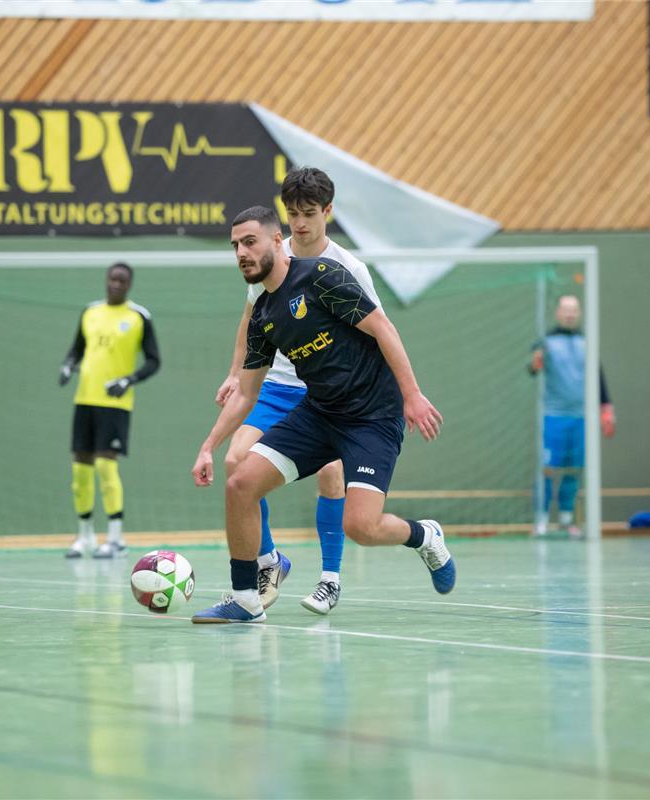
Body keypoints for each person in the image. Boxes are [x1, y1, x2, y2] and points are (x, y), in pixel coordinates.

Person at [189, 206, 452, 624]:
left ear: (278, 240)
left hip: (371, 417)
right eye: (235, 245)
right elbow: (246, 393)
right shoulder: (262, 315)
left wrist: (412, 394)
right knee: (239, 483)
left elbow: (382, 327)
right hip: (320, 412)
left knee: (362, 528)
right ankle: (245, 599)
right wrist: (208, 446)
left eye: (250, 241)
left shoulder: (322, 276)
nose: (241, 252)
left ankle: (425, 535)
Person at [214, 167, 381, 615]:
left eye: (309, 214)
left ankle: (331, 579)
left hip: (325, 389)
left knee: (331, 476)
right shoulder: (272, 252)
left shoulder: (349, 268)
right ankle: (271, 561)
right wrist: (235, 373)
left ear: (328, 212)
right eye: (293, 215)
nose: (300, 223)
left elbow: (377, 330)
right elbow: (250, 320)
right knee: (235, 461)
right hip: (276, 384)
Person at [59, 262, 160, 558]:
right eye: (112, 279)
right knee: (80, 470)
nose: (116, 284)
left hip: (115, 404)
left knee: (105, 466)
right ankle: (85, 536)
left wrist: (128, 380)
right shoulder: (90, 312)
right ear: (106, 281)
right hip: (84, 400)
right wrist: (67, 365)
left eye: (122, 280)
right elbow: (76, 349)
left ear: (129, 285)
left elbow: (154, 361)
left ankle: (116, 539)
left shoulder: (138, 316)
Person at [527, 295, 615, 538]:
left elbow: (598, 375)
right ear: (558, 313)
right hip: (554, 416)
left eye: (574, 310)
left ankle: (567, 519)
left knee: (574, 468)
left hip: (581, 417)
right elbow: (532, 368)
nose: (570, 314)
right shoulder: (546, 342)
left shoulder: (587, 342)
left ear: (580, 313)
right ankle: (541, 519)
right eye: (565, 310)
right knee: (548, 468)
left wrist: (606, 407)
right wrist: (535, 362)